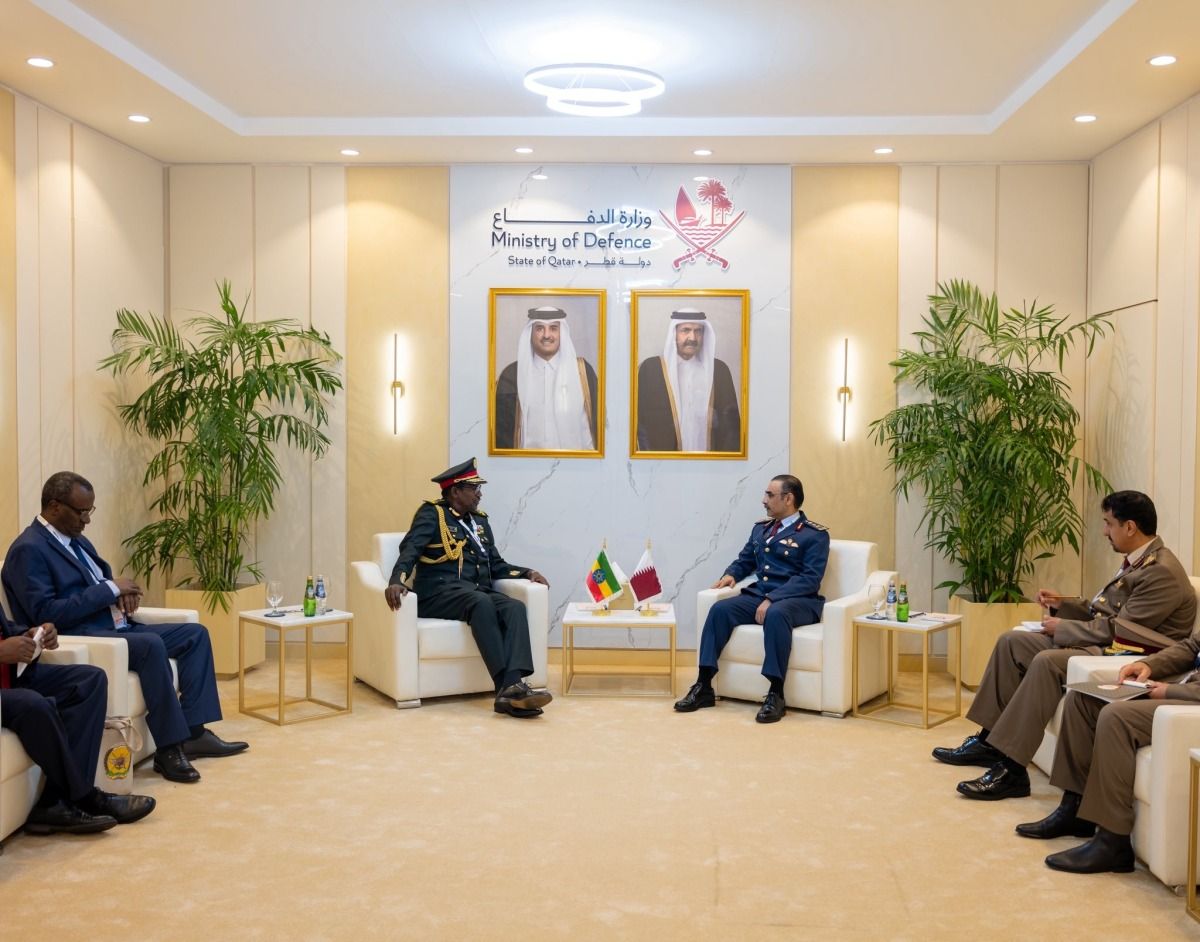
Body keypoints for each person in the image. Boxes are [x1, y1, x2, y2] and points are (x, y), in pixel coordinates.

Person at [932, 490, 1195, 800]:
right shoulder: (1139, 560)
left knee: (1047, 661)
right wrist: (1063, 605)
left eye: (1109, 524)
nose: (1104, 531)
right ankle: (989, 742)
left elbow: (1121, 629)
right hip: (1110, 642)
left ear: (1130, 527)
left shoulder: (1161, 571)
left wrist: (1065, 628)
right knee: (1012, 642)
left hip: (1132, 654)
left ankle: (1012, 770)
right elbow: (1105, 612)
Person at [3, 471, 248, 785]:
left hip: (116, 624)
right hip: (85, 634)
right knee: (150, 645)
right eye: (81, 512)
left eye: (90, 511)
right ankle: (169, 749)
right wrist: (109, 590)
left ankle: (194, 732)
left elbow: (97, 583)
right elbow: (46, 612)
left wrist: (121, 593)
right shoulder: (29, 549)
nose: (87, 520)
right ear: (54, 507)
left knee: (195, 635)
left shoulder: (76, 539)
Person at [1012, 634, 1200, 873]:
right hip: (1185, 686)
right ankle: (1075, 810)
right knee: (1083, 699)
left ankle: (1113, 841)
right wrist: (1148, 665)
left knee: (1116, 718)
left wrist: (1169, 691)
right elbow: (1193, 646)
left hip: (1192, 699)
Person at [383, 458, 553, 718]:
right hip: (438, 593)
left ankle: (512, 688)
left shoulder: (480, 522)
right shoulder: (432, 514)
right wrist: (397, 579)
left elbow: (496, 564)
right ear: (455, 491)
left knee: (515, 607)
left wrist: (527, 572)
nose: (479, 494)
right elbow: (410, 550)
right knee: (480, 602)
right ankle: (507, 688)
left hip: (473, 591)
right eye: (474, 488)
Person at [674, 474, 829, 723]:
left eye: (769, 495)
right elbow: (746, 560)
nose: (763, 500)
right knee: (720, 610)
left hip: (800, 600)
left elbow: (810, 579)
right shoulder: (762, 528)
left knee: (776, 614)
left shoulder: (814, 535)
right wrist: (731, 575)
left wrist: (774, 598)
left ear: (788, 499)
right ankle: (703, 685)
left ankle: (776, 694)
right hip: (760, 595)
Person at [1, 606, 156, 834]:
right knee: (35, 705)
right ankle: (86, 797)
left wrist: (31, 635)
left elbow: (6, 628)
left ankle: (56, 802)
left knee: (90, 680)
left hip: (12, 678)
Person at [636, 308, 741, 452]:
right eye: (685, 330)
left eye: (698, 331)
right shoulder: (651, 369)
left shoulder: (719, 370)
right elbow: (639, 422)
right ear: (674, 333)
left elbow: (731, 425)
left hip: (709, 460)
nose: (692, 337)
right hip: (665, 459)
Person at [494, 306, 598, 451]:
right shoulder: (512, 375)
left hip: (577, 462)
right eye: (539, 329)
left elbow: (600, 425)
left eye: (553, 328)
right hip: (526, 463)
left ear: (562, 333)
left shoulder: (582, 372)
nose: (547, 335)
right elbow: (501, 435)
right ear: (531, 333)